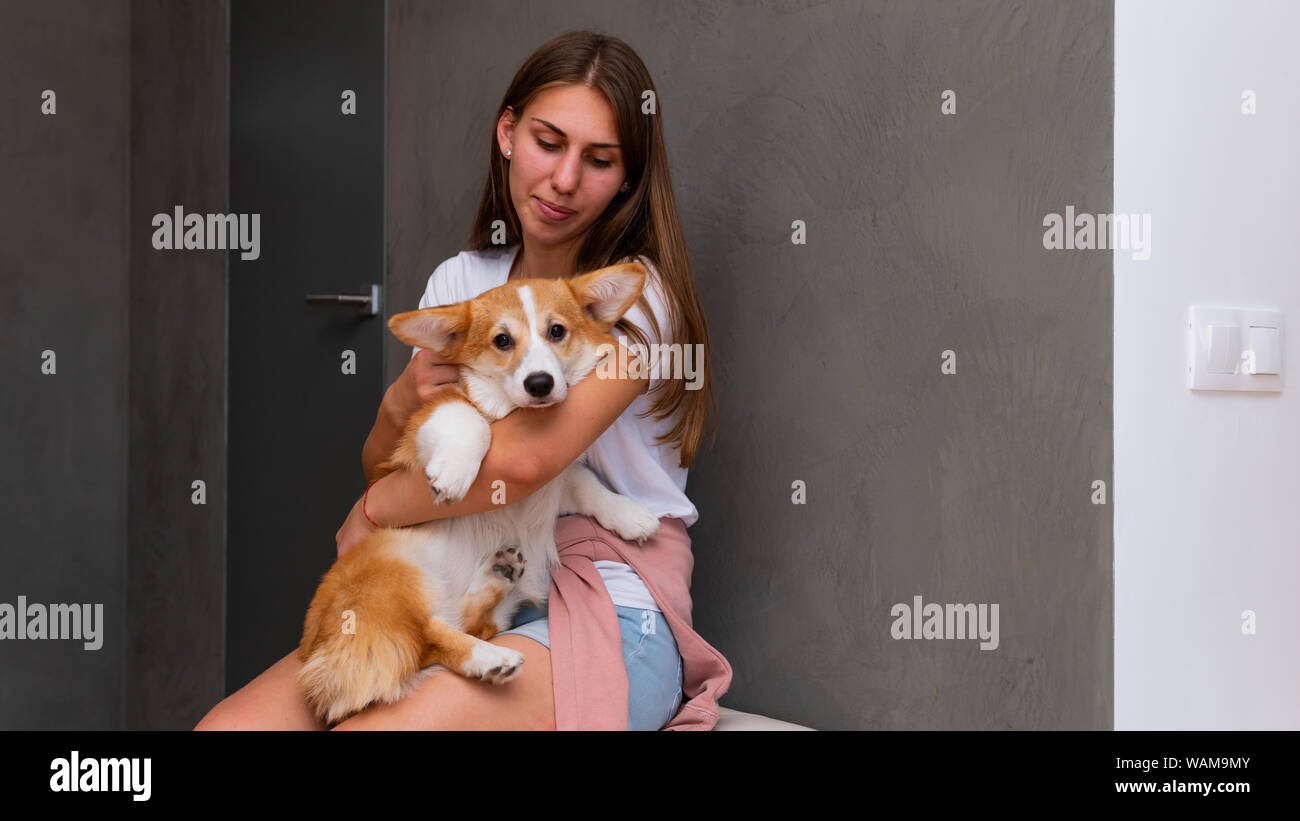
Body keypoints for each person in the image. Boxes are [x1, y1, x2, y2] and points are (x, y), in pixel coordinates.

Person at [196, 29, 728, 731]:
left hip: (607, 594)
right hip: (460, 569)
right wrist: (395, 405)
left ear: (627, 177)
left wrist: (375, 509)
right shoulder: (463, 283)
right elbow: (402, 462)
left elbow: (527, 461)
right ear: (507, 133)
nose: (565, 179)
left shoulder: (631, 296)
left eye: (599, 160)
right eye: (548, 141)